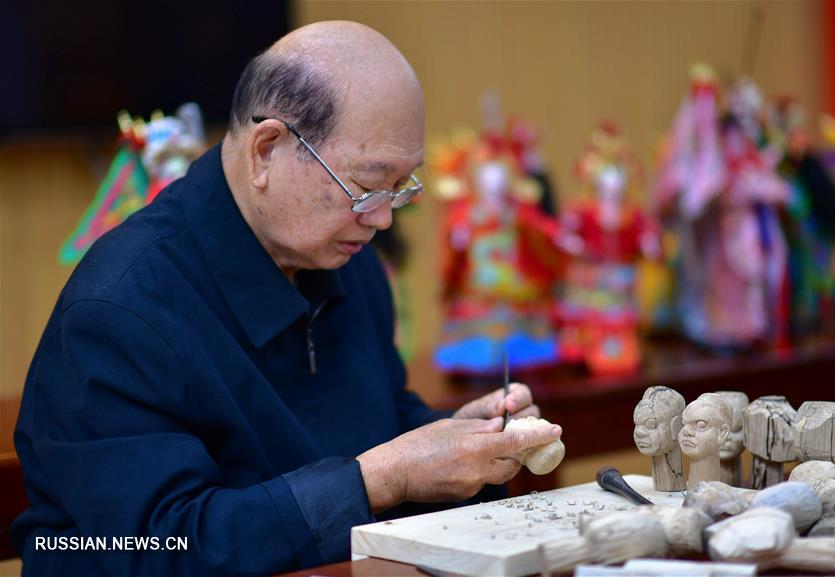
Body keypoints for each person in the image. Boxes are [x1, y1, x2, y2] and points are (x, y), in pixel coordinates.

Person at [12, 21, 561, 577]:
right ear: (266, 151)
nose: (382, 217)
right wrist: (381, 479)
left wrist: (457, 439)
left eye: (401, 186)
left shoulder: (347, 259)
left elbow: (379, 421)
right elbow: (156, 549)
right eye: (367, 185)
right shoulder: (119, 312)